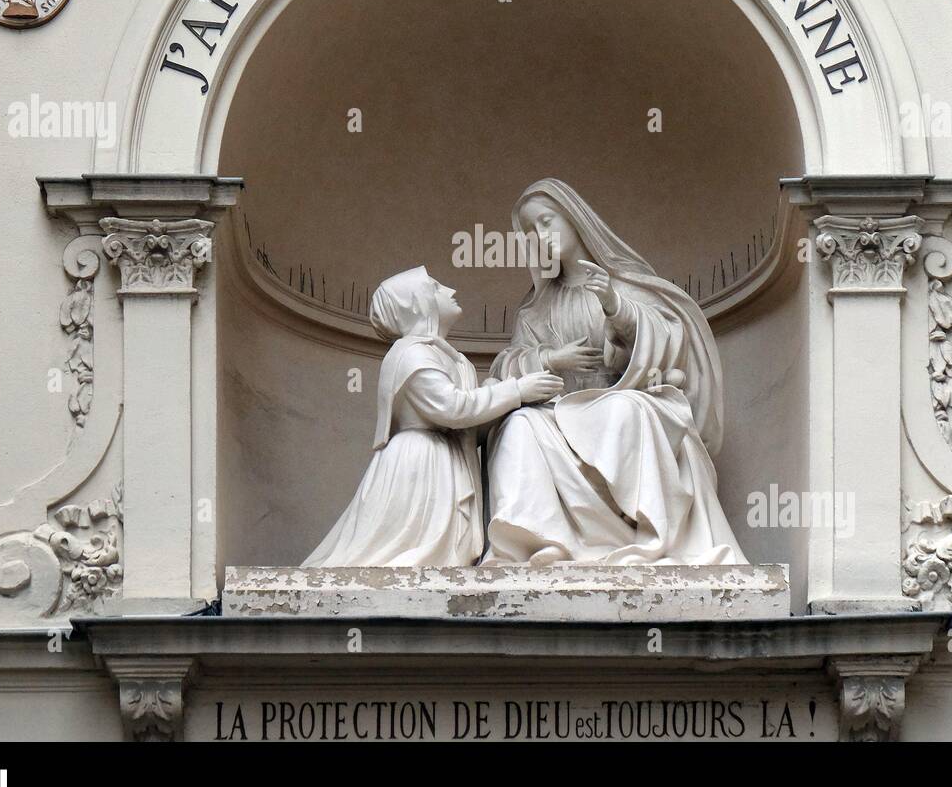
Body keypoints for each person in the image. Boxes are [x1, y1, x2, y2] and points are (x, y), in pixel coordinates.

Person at [483, 178, 747, 566]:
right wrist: (551, 360)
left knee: (628, 410)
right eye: (529, 231)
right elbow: (507, 368)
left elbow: (669, 346)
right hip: (556, 415)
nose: (539, 235)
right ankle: (544, 541)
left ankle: (648, 539)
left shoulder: (624, 285)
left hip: (620, 398)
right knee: (519, 425)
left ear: (574, 219)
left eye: (545, 221)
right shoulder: (534, 310)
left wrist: (614, 305)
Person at [302, 266, 562, 567]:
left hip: (444, 459)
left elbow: (466, 424)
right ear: (417, 303)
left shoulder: (451, 357)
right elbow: (453, 408)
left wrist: (509, 403)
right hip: (419, 465)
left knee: (440, 559)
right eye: (437, 287)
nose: (450, 291)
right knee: (408, 556)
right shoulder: (411, 353)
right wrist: (515, 391)